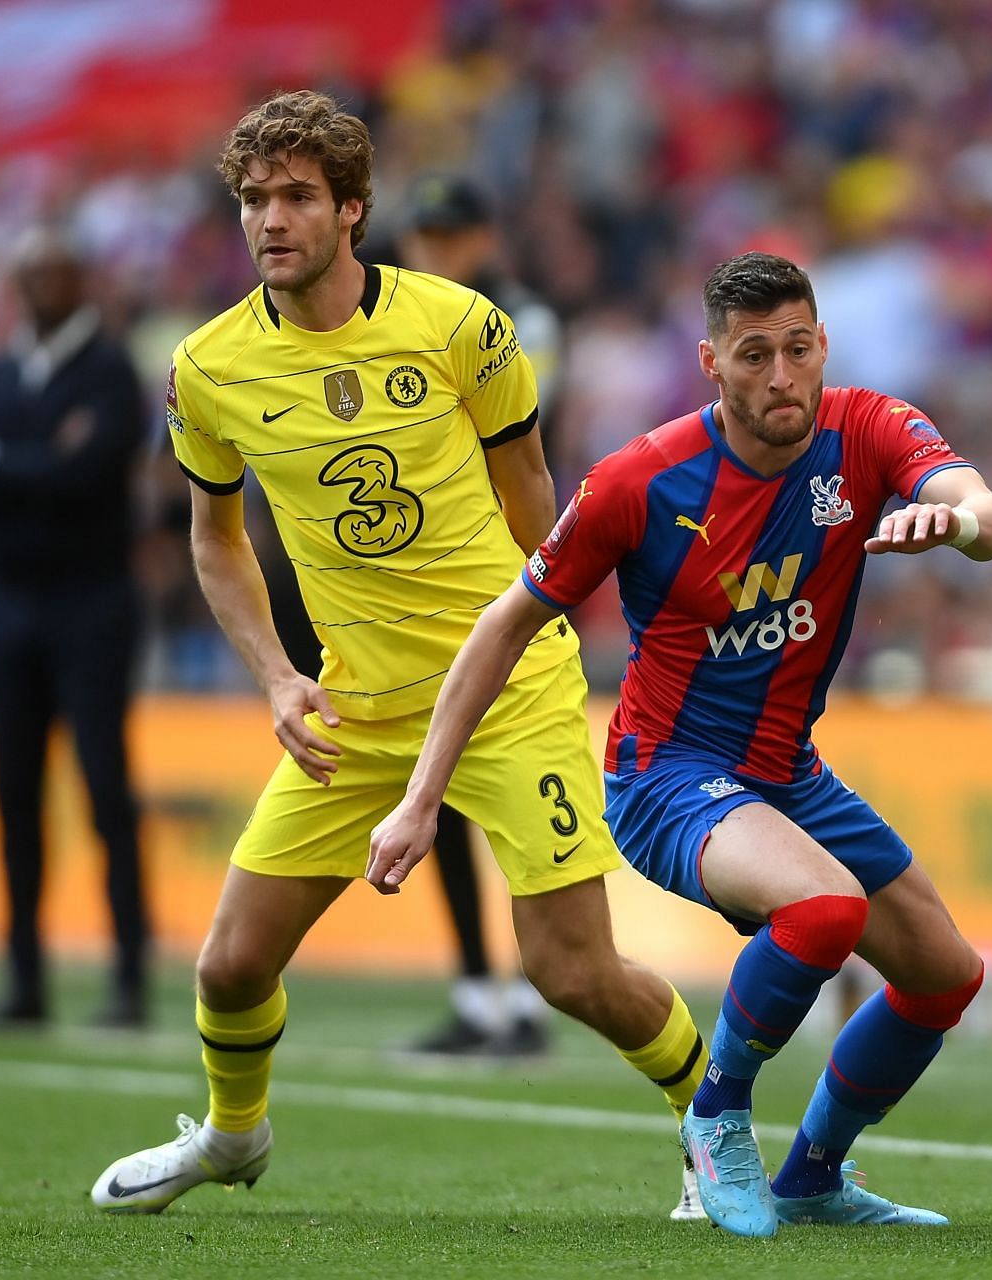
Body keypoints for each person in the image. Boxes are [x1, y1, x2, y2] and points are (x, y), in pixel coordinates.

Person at [88, 90, 708, 1217]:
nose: (270, 219)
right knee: (228, 966)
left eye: (296, 196)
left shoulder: (462, 326)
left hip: (509, 691)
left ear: (352, 209)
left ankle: (712, 1125)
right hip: (356, 708)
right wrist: (278, 675)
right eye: (253, 199)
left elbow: (536, 499)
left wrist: (556, 633)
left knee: (568, 971)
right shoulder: (208, 369)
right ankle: (234, 1136)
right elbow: (215, 541)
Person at [370, 251, 992, 1237]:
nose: (781, 376)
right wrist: (423, 796)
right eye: (755, 355)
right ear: (711, 364)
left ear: (822, 349)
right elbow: (502, 624)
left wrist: (958, 524)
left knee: (945, 974)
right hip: (665, 776)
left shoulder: (869, 427)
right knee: (824, 907)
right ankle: (715, 1115)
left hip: (788, 773)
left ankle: (813, 1175)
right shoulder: (639, 481)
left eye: (797, 350)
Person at [0, 226, 150, 1030]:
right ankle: (24, 979)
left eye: (56, 272)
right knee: (14, 794)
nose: (43, 286)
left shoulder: (107, 372)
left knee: (105, 791)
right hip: (9, 604)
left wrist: (3, 465)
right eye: (31, 273)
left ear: (79, 280)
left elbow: (87, 474)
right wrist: (34, 465)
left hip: (90, 602)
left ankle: (128, 978)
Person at [396, 172, 565, 1058]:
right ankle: (475, 991)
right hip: (432, 579)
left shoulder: (518, 321)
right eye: (423, 237)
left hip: (511, 566)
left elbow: (513, 433)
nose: (431, 252)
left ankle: (529, 998)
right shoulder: (410, 323)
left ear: (481, 238)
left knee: (508, 786)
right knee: (442, 786)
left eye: (446, 236)